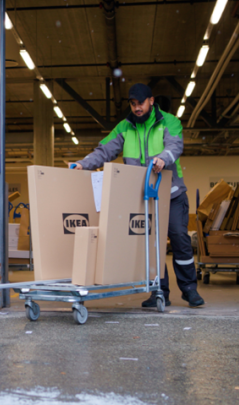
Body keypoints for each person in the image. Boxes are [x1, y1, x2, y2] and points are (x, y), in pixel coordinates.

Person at [69, 83, 204, 308]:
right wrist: (83, 164)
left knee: (180, 239)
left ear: (151, 101)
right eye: (133, 104)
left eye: (140, 103)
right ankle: (159, 291)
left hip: (171, 194)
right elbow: (105, 151)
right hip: (143, 197)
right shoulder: (125, 127)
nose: (137, 108)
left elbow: (175, 145)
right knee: (152, 246)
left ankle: (190, 290)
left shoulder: (169, 121)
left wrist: (163, 158)